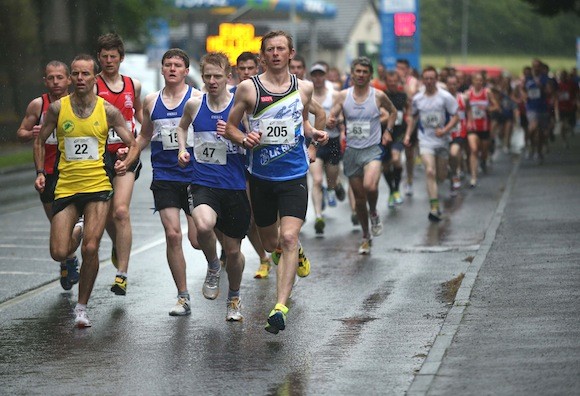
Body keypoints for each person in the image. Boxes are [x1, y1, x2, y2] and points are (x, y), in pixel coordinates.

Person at [224, 30, 328, 334]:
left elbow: (304, 122)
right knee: (271, 243)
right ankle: (294, 253)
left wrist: (313, 140)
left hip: (294, 175)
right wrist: (245, 138)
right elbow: (230, 127)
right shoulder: (248, 89)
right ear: (262, 56)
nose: (275, 54)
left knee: (289, 238)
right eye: (270, 50)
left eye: (281, 49)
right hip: (261, 178)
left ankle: (280, 306)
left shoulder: (304, 88)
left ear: (291, 53)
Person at [33, 54, 140, 328]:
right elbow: (39, 140)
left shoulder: (108, 111)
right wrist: (41, 173)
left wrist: (125, 162)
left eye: (86, 74)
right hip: (67, 187)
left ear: (95, 77)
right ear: (71, 78)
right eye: (76, 74)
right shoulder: (58, 109)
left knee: (92, 247)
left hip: (97, 187)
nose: (80, 79)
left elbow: (133, 142)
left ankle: (81, 308)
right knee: (59, 252)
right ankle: (78, 228)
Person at [176, 52, 250, 321]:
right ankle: (211, 265)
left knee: (234, 253)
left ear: (228, 76)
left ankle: (234, 297)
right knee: (204, 225)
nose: (212, 81)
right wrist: (183, 149)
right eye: (207, 76)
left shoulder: (239, 107)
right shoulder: (195, 105)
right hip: (203, 181)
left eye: (217, 76)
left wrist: (234, 134)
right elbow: (182, 128)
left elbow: (251, 140)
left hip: (234, 185)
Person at [137, 48, 201, 316]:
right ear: (161, 69)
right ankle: (183, 296)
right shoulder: (151, 101)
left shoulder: (198, 99)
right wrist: (129, 158)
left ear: (186, 71)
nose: (172, 69)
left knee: (198, 239)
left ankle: (213, 263)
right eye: (168, 65)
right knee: (173, 234)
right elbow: (144, 136)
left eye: (178, 65)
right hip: (164, 175)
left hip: (196, 175)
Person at [17, 61, 84, 290]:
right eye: (50, 78)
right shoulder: (39, 105)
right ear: (45, 81)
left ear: (69, 80)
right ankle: (69, 258)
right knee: (56, 222)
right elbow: (21, 132)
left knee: (71, 221)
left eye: (59, 78)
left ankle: (68, 259)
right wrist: (32, 132)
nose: (55, 82)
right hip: (47, 171)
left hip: (73, 169)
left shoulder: (79, 102)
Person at [328, 56, 397, 254]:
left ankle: (374, 211)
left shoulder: (378, 96)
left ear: (370, 75)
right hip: (351, 152)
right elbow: (333, 114)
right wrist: (332, 120)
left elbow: (393, 112)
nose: (360, 75)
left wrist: (389, 131)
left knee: (370, 186)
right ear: (352, 73)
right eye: (357, 71)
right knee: (359, 199)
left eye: (365, 72)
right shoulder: (343, 95)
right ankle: (366, 236)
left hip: (372, 149)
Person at [95, 33, 143, 296]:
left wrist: (136, 142)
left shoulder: (132, 84)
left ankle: (121, 274)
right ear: (98, 58)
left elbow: (137, 114)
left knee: (121, 211)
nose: (109, 61)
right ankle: (117, 244)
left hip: (126, 153)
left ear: (121, 58)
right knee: (106, 216)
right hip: (99, 157)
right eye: (104, 56)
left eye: (114, 56)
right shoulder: (92, 85)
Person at [233, 51, 273, 279]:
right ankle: (263, 258)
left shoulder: (267, 93)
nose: (246, 73)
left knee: (267, 218)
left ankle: (278, 247)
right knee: (248, 219)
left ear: (257, 68)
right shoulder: (231, 96)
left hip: (267, 164)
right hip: (240, 166)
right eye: (242, 69)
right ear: (236, 71)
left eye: (250, 68)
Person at [404, 66, 459, 222]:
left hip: (442, 141)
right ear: (422, 80)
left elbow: (456, 117)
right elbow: (413, 118)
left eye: (431, 78)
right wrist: (408, 135)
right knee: (429, 171)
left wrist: (445, 130)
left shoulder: (445, 97)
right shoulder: (417, 99)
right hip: (425, 140)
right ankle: (434, 207)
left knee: (440, 176)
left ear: (436, 80)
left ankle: (447, 174)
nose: (428, 81)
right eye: (426, 78)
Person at [309, 63, 345, 235]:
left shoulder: (335, 94)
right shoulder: (305, 95)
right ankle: (318, 216)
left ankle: (334, 186)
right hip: (313, 141)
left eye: (320, 75)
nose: (317, 78)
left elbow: (343, 115)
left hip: (332, 141)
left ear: (325, 76)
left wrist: (336, 121)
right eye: (314, 75)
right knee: (316, 180)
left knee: (331, 177)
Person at [466, 72, 498, 186]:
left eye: (480, 80)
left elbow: (496, 106)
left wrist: (488, 108)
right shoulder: (468, 94)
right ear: (472, 81)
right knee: (474, 150)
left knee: (483, 150)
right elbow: (465, 108)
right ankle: (473, 177)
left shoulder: (487, 92)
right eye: (476, 80)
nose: (478, 82)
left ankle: (483, 161)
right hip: (472, 127)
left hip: (484, 127)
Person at [383, 70, 408, 208]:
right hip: (383, 134)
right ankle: (392, 190)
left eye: (395, 81)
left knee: (396, 159)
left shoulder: (403, 96)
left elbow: (409, 112)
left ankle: (397, 189)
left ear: (398, 82)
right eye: (389, 81)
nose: (392, 84)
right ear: (386, 82)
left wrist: (409, 132)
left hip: (398, 132)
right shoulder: (381, 96)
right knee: (385, 166)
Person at [396, 58, 420, 196]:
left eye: (402, 68)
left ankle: (409, 179)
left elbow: (410, 96)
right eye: (398, 67)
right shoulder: (392, 80)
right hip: (398, 121)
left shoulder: (412, 81)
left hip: (410, 121)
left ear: (408, 69)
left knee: (409, 154)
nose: (399, 71)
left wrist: (404, 82)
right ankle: (398, 180)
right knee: (395, 154)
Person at [446, 74, 469, 195]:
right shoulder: (442, 98)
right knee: (449, 158)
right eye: (449, 84)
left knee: (454, 153)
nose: (452, 87)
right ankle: (454, 171)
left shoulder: (463, 98)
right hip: (445, 132)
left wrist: (469, 122)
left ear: (458, 85)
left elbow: (468, 109)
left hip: (459, 131)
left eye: (454, 84)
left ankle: (455, 174)